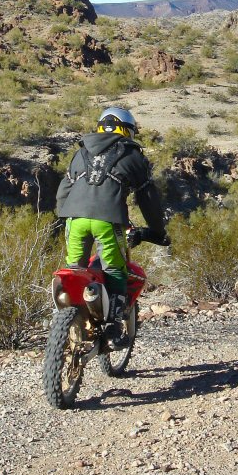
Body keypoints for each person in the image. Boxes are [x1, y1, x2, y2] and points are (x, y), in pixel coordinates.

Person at [55, 106, 168, 348]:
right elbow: (148, 199)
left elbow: (64, 190)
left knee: (76, 268)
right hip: (108, 220)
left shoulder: (80, 153)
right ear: (126, 131)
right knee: (115, 268)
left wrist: (64, 215)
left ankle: (72, 317)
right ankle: (113, 325)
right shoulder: (133, 156)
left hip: (74, 219)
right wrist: (158, 231)